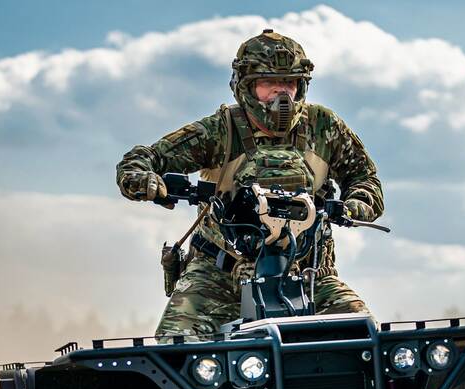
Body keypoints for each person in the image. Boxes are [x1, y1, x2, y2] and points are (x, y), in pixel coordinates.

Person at [116, 29, 384, 337]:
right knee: (176, 347)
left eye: (289, 83)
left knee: (367, 341)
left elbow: (365, 178)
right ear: (245, 86)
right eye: (268, 83)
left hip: (309, 274)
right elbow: (145, 158)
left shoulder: (325, 127)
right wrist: (141, 178)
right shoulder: (220, 129)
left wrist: (356, 205)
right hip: (219, 277)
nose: (281, 94)